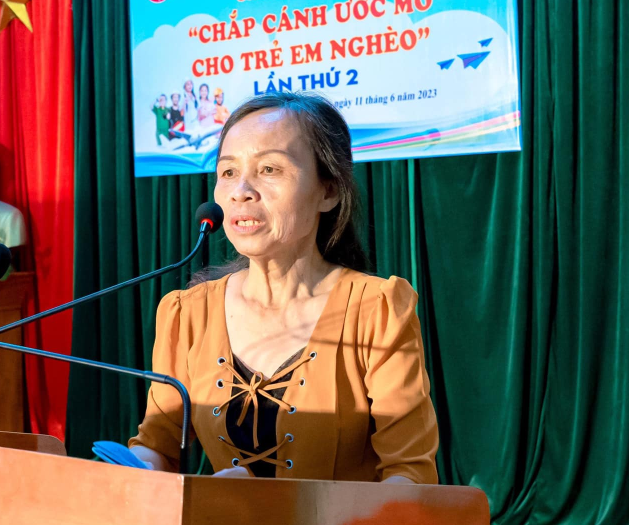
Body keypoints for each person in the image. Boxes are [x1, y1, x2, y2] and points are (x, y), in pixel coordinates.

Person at [129, 91, 439, 483]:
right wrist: (126, 472)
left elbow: (410, 474)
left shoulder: (376, 309)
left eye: (269, 169)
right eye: (228, 172)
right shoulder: (187, 313)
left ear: (328, 191)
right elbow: (156, 446)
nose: (241, 190)